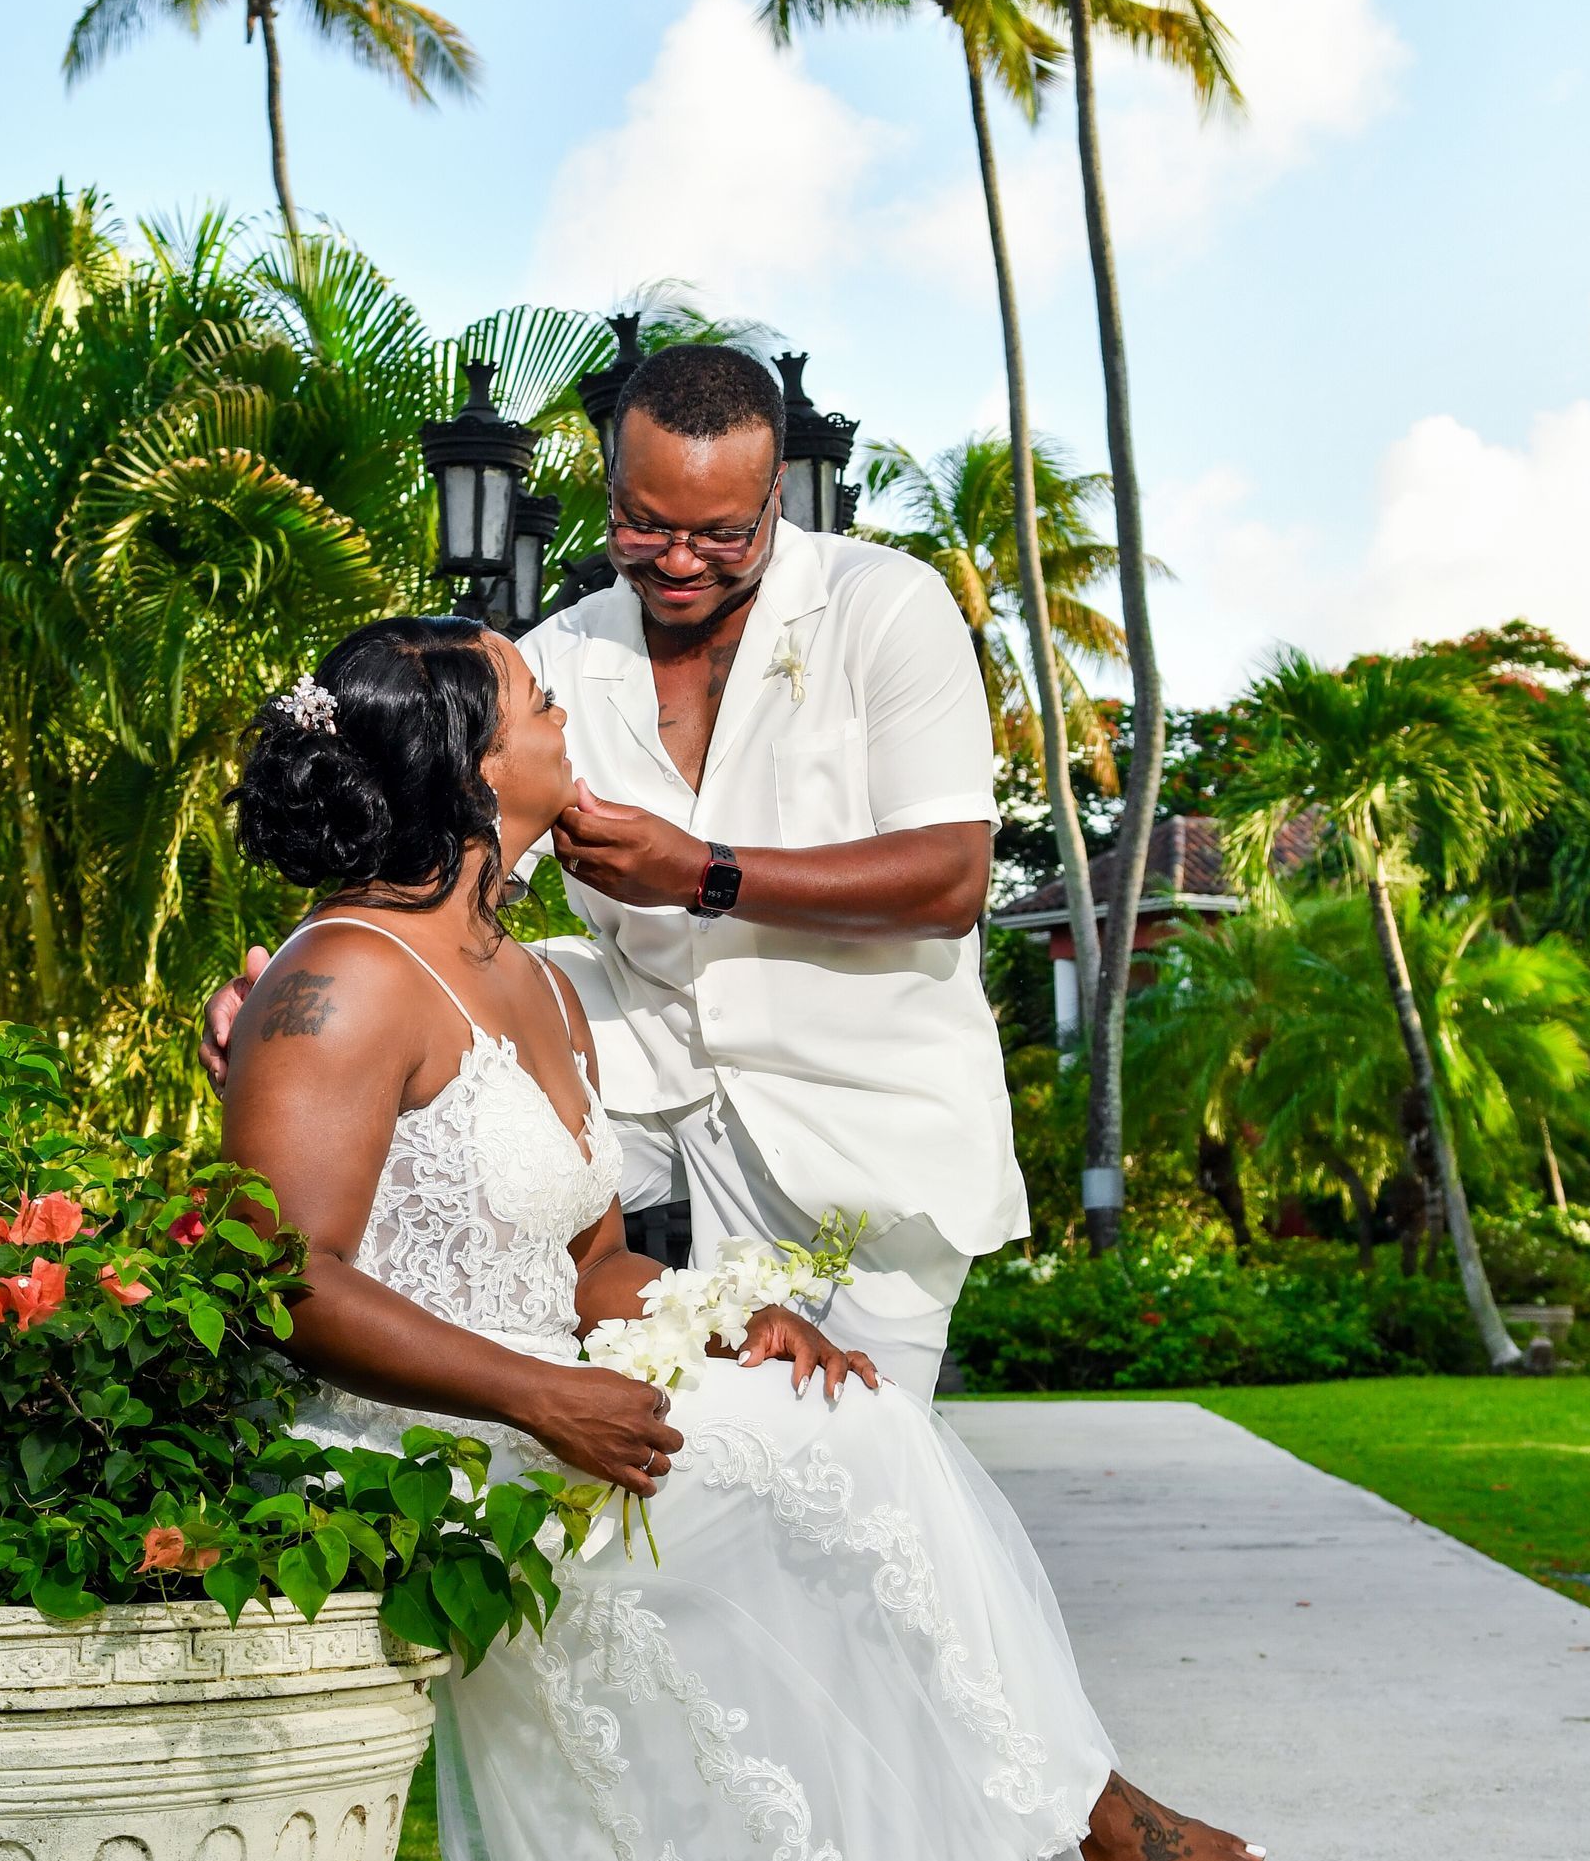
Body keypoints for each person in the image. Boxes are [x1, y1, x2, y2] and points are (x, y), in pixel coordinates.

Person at [220, 612, 1264, 1861]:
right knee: (846, 1466)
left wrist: (717, 1315)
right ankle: (1065, 1818)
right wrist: (535, 1394)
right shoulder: (344, 979)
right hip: (424, 1443)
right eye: (537, 703)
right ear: (468, 762)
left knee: (838, 1464)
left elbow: (586, 1257)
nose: (567, 719)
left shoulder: (534, 984)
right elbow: (281, 1279)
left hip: (556, 1401)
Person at [206, 340, 1021, 1405]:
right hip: (640, 1066)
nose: (681, 560)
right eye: (646, 524)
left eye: (723, 533)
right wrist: (296, 1003)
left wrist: (700, 874)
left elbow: (950, 879)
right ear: (606, 481)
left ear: (779, 495)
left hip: (862, 1115)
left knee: (858, 1453)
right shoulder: (556, 656)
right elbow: (428, 849)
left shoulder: (887, 607)